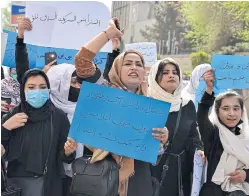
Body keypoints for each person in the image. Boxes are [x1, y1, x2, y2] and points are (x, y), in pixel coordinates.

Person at [73, 18, 169, 196]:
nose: (134, 67)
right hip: (102, 179)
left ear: (144, 73)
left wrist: (162, 140)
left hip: (139, 183)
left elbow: (153, 156)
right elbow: (82, 60)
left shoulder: (150, 106)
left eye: (139, 64)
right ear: (117, 68)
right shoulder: (103, 93)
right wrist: (108, 34)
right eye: (128, 63)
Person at [1, 68, 77, 196]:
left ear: (48, 90)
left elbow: (64, 156)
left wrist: (68, 152)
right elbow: (3, 150)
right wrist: (5, 127)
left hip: (49, 185)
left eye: (42, 87)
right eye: (31, 87)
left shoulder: (58, 117)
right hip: (15, 186)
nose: (37, 91)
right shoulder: (12, 116)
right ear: (23, 90)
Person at [148, 57, 204, 196]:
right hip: (150, 171)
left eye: (175, 72)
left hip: (178, 173)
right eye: (165, 72)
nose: (171, 75)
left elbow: (193, 136)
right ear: (155, 77)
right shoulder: (146, 103)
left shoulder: (186, 105)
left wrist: (198, 151)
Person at [198, 69, 249, 196]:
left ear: (241, 112)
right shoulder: (213, 134)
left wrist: (245, 175)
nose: (231, 113)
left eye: (236, 108)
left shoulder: (246, 137)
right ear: (217, 111)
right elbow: (202, 115)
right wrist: (209, 88)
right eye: (225, 108)